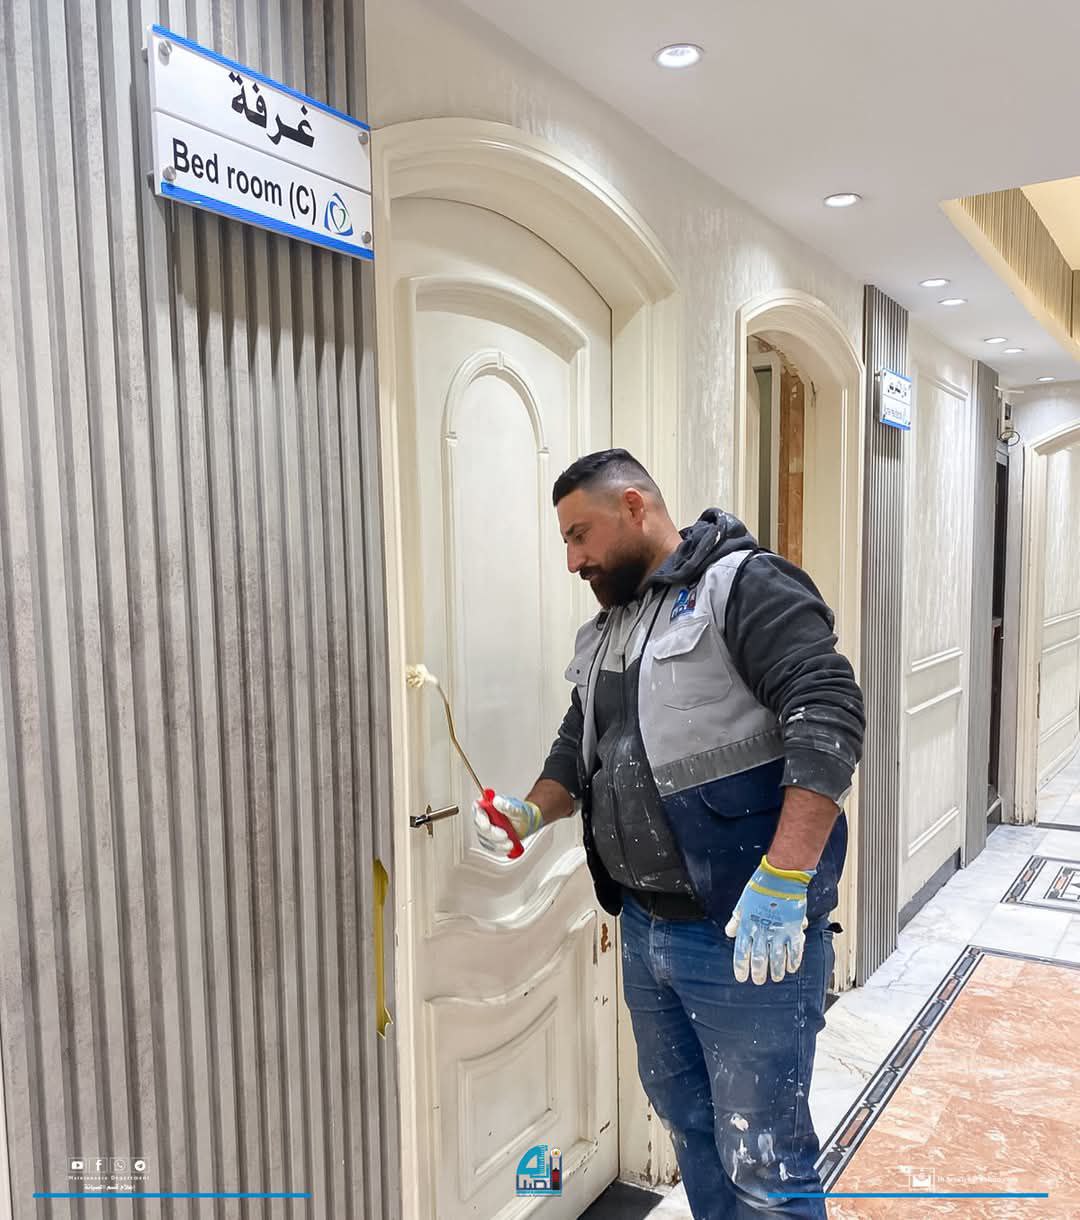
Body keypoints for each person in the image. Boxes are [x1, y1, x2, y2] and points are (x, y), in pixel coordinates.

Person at [474, 449, 865, 1219]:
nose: (572, 560)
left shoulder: (743, 586)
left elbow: (828, 713)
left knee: (763, 1156)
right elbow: (577, 746)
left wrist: (787, 877)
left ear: (634, 506)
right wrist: (531, 811)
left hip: (744, 935)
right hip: (646, 929)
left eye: (579, 535)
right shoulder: (609, 630)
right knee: (690, 1127)